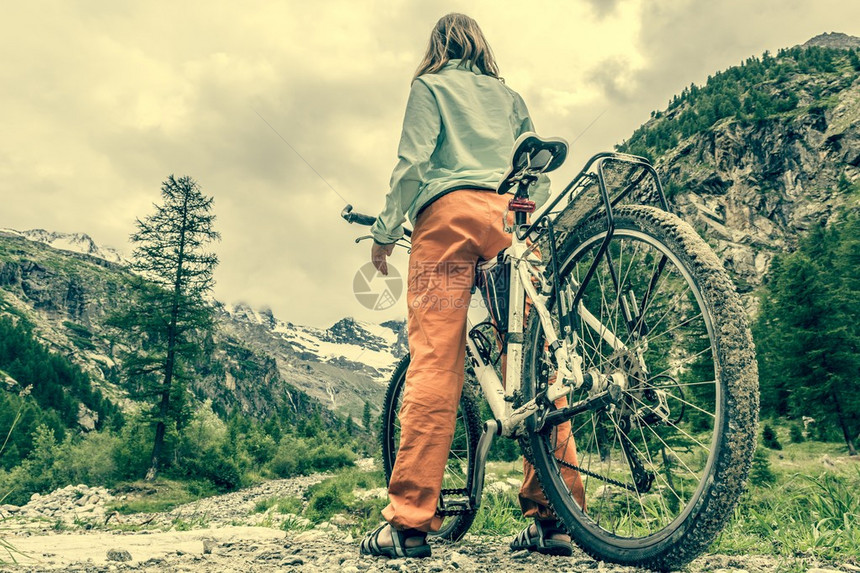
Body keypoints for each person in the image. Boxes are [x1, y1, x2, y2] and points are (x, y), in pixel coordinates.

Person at [360, 13, 585, 559]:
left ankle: (410, 522)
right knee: (537, 365)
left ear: (437, 45)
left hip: (447, 217)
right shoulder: (507, 98)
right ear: (481, 45)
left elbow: (412, 164)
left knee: (436, 360)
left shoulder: (430, 86)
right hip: (510, 217)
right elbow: (537, 175)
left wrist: (386, 232)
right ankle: (556, 518)